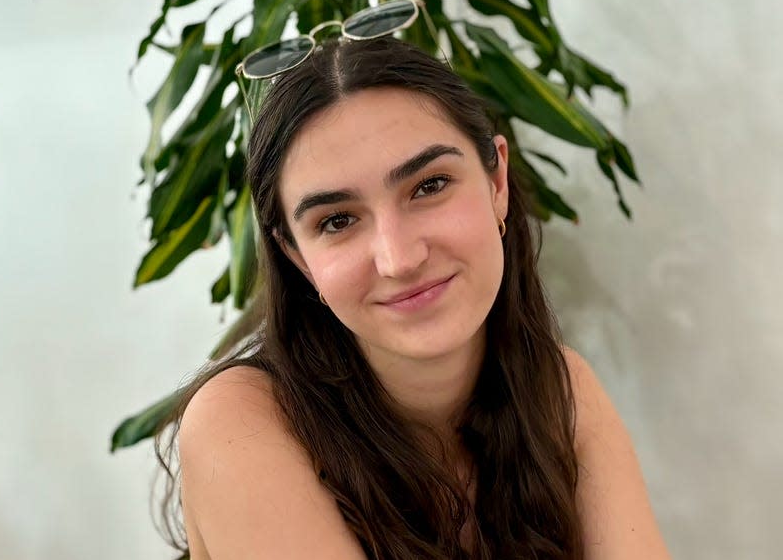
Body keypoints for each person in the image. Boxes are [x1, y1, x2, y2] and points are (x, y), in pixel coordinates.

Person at [157, 34, 672, 560]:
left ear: (497, 181)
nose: (398, 258)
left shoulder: (562, 390)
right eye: (337, 221)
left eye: (429, 186)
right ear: (295, 255)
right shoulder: (241, 419)